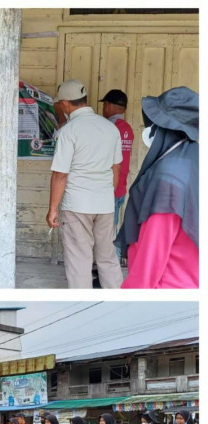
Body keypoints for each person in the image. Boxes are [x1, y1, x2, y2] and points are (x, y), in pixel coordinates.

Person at [118, 86, 199, 288]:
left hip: (167, 283)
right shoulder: (193, 160)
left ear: (163, 127)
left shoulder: (169, 177)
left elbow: (152, 253)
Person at [47, 79, 124, 289]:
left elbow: (60, 175)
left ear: (65, 103)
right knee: (108, 259)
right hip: (105, 205)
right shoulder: (109, 128)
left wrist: (52, 209)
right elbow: (115, 169)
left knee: (79, 262)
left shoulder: (69, 131)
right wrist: (107, 195)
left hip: (78, 205)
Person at [98, 89, 134, 257]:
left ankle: (110, 274)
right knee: (112, 229)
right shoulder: (128, 129)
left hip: (108, 188)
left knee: (106, 233)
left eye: (104, 105)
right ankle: (111, 269)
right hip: (120, 187)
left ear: (108, 105)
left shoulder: (108, 128)